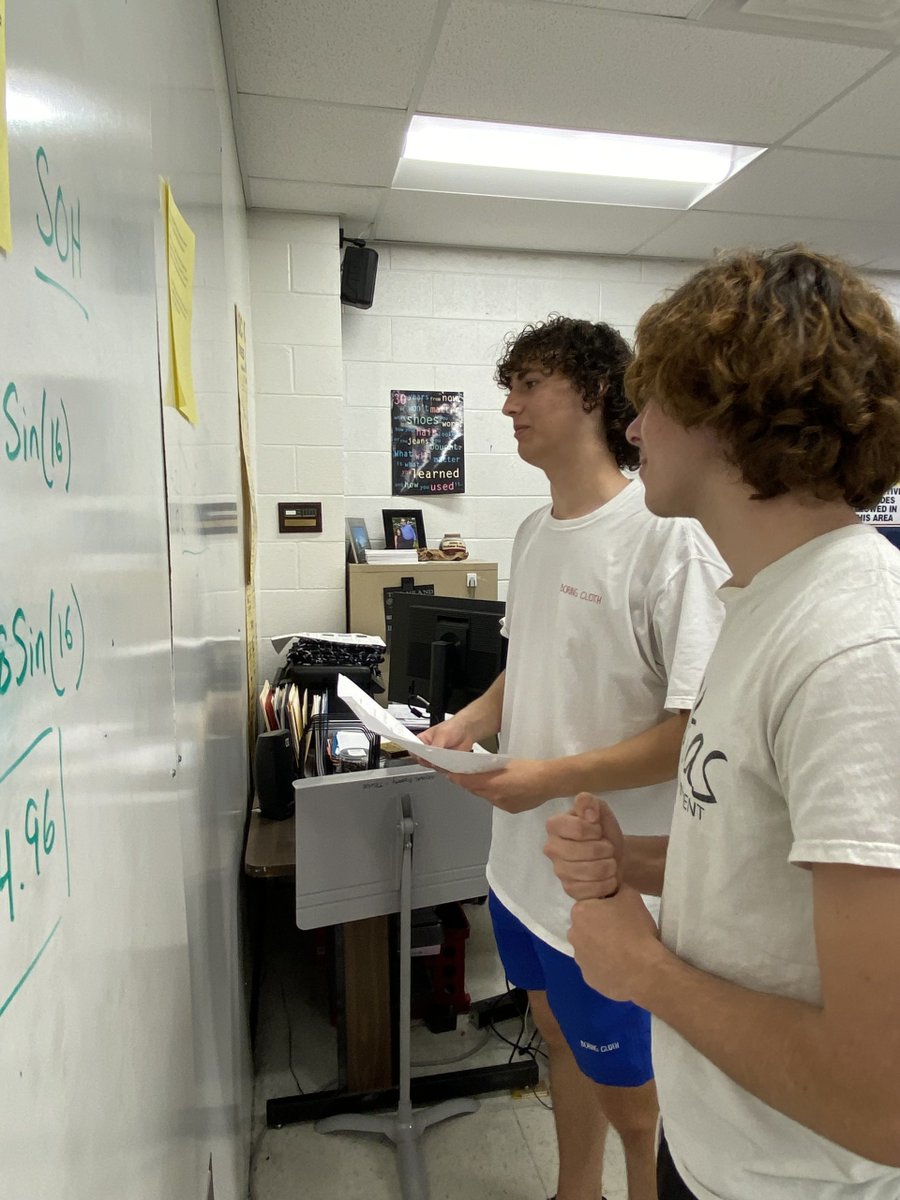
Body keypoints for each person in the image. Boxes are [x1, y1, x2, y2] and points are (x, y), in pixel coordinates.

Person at [544, 247, 900, 1200]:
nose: (632, 425)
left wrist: (644, 971)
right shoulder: (762, 599)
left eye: (650, 398)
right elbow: (769, 863)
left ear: (727, 413)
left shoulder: (854, 650)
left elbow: (884, 1103)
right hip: (712, 1148)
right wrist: (637, 862)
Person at [419, 316, 728, 1200]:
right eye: (508, 386)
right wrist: (469, 721)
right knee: (557, 1042)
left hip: (607, 879)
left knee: (636, 1101)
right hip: (521, 871)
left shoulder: (667, 537)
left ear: (595, 392)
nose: (507, 405)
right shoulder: (531, 531)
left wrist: (542, 781)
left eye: (528, 385)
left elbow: (689, 731)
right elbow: (532, 659)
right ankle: (574, 1191)